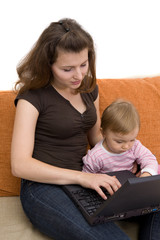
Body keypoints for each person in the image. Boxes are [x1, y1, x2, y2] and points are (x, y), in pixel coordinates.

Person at [11, 18, 160, 240]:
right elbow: (20, 165)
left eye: (83, 64)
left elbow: (97, 138)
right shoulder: (31, 99)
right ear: (47, 64)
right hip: (45, 188)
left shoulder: (89, 89)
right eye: (67, 69)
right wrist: (84, 179)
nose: (79, 76)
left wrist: (131, 159)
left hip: (88, 177)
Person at [82, 99, 158, 177]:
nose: (126, 146)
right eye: (119, 141)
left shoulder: (135, 146)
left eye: (132, 140)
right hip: (108, 187)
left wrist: (146, 174)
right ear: (103, 133)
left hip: (131, 183)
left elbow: (150, 159)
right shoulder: (95, 156)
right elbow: (86, 178)